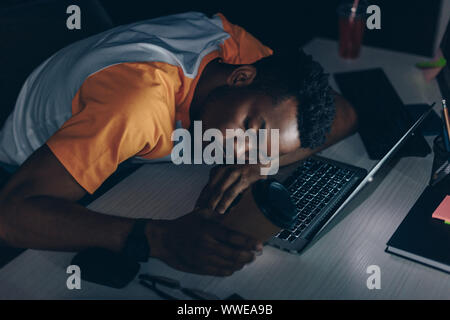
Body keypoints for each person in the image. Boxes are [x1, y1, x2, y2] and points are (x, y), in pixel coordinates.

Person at [0, 12, 357, 276]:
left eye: (261, 146)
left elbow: (344, 114)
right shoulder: (137, 105)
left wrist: (261, 163)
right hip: (28, 161)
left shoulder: (237, 50)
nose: (237, 152)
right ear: (240, 77)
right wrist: (157, 239)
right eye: (249, 128)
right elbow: (11, 215)